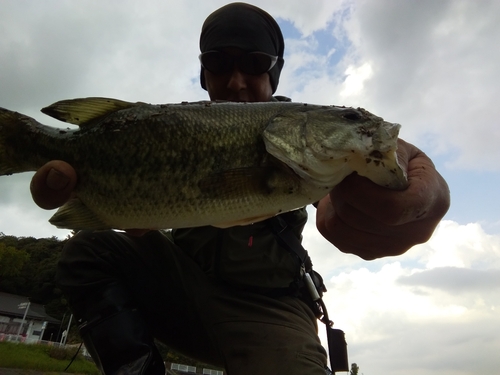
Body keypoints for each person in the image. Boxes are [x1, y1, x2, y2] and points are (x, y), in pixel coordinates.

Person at [30, 3, 450, 375]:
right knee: (89, 249)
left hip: (270, 308)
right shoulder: (170, 125)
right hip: (183, 291)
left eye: (254, 63)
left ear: (274, 71)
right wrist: (110, 200)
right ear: (203, 71)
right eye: (217, 62)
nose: (235, 81)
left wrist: (418, 192)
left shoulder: (304, 139)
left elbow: (365, 170)